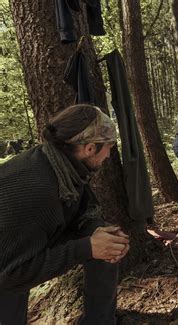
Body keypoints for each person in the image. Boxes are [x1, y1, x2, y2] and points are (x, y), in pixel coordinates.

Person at [0, 104, 130, 324]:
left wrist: (98, 232)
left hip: (19, 247)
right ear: (90, 148)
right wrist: (86, 247)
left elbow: (82, 207)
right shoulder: (37, 187)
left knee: (107, 245)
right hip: (7, 267)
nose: (109, 154)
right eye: (109, 146)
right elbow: (11, 274)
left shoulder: (60, 163)